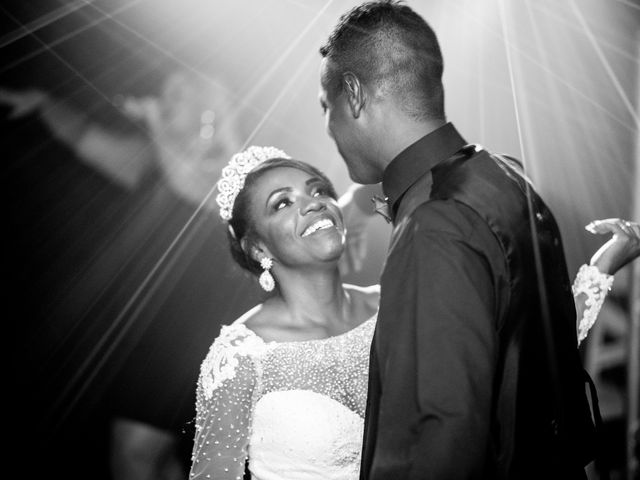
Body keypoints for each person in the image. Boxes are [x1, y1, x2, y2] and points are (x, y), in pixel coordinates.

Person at [316, 1, 638, 478]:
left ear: (354, 94)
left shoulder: (436, 227)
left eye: (328, 108)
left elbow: (444, 433)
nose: (328, 128)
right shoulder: (504, 174)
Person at [188, 145, 640, 479]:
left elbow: (519, 356)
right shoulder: (241, 358)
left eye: (318, 189)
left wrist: (603, 266)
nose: (312, 202)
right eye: (282, 203)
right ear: (257, 247)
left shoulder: (399, 299)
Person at [1, 71, 258, 480]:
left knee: (134, 453)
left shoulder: (232, 168)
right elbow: (85, 135)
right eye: (165, 90)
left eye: (179, 91)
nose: (165, 97)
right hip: (152, 330)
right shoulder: (152, 157)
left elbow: (189, 186)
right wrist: (43, 103)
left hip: (194, 331)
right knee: (149, 456)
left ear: (208, 108)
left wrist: (155, 122)